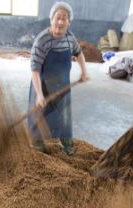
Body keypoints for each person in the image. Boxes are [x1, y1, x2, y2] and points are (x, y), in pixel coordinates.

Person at [28, 1, 88, 156]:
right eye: (58, 18)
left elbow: (79, 53)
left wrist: (84, 72)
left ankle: (65, 140)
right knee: (40, 115)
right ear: (51, 19)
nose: (61, 22)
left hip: (63, 85)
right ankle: (37, 142)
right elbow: (34, 70)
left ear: (69, 22)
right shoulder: (42, 41)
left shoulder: (70, 38)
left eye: (64, 18)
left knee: (65, 115)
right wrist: (39, 95)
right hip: (42, 85)